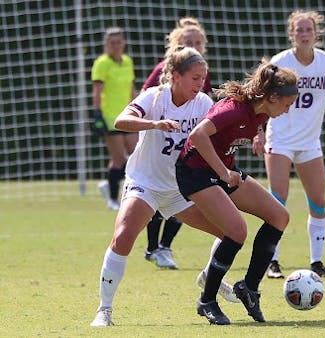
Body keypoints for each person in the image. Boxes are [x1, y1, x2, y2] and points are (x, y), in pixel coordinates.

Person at [90, 46, 237, 328]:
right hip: (145, 183)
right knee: (123, 237)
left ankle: (209, 275)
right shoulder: (155, 96)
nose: (201, 83)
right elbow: (121, 121)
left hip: (181, 188)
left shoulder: (204, 103)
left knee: (231, 233)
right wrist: (154, 124)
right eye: (195, 77)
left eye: (203, 77)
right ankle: (104, 310)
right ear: (175, 76)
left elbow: (222, 131)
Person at [175, 60, 299, 325]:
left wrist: (258, 135)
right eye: (287, 105)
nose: (288, 110)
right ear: (273, 96)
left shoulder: (263, 111)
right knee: (236, 231)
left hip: (223, 171)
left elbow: (254, 123)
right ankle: (207, 301)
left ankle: (249, 288)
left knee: (279, 217)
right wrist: (221, 172)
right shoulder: (233, 110)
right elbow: (198, 135)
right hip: (195, 173)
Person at [258, 10, 325, 279]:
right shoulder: (281, 61)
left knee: (318, 201)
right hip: (280, 138)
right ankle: (272, 262)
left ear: (316, 33)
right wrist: (258, 132)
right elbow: (260, 97)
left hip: (309, 142)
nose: (304, 34)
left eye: (308, 29)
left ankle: (317, 262)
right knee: (277, 201)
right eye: (299, 30)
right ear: (291, 34)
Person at [141, 17, 211, 269]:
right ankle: (153, 247)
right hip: (160, 148)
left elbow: (208, 110)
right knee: (159, 197)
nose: (193, 45)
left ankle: (164, 247)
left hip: (186, 148)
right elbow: (145, 99)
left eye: (197, 42)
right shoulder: (164, 71)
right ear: (176, 44)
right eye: (187, 41)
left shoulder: (202, 73)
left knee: (186, 196)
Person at [91, 26, 138, 211]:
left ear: (124, 43)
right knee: (118, 158)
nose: (116, 46)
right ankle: (112, 198)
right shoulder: (102, 63)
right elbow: (97, 91)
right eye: (112, 43)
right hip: (110, 116)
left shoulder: (127, 61)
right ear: (106, 44)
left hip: (127, 114)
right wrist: (97, 113)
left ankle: (110, 184)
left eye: (119, 42)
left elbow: (131, 88)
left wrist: (138, 107)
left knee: (135, 153)